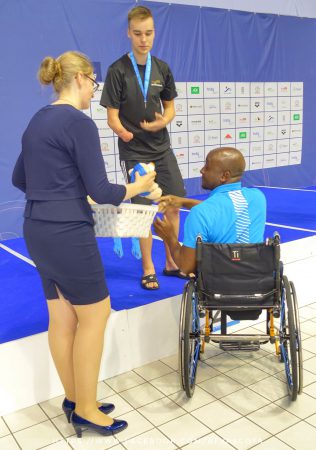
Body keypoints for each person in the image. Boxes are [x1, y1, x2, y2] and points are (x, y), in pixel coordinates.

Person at [12, 51, 156, 438]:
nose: (95, 91)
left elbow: (20, 179)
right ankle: (88, 410)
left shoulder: (37, 121)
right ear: (81, 79)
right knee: (95, 315)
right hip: (66, 231)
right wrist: (139, 187)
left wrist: (61, 191)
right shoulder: (78, 123)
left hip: (36, 227)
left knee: (62, 318)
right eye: (94, 83)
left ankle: (76, 399)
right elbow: (103, 191)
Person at [100, 5, 186, 290]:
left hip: (162, 149)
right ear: (128, 33)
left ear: (154, 33)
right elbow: (112, 116)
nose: (143, 39)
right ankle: (148, 266)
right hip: (134, 151)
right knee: (144, 211)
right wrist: (125, 134)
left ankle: (173, 261)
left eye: (148, 33)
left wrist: (163, 123)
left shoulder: (162, 68)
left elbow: (170, 107)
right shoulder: (117, 70)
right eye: (137, 33)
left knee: (172, 206)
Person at [154, 147, 266, 274]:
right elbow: (224, 210)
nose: (202, 170)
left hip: (218, 286)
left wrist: (170, 238)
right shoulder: (258, 198)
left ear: (224, 176)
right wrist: (183, 202)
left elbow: (186, 267)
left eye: (207, 167)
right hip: (258, 281)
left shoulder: (200, 213)